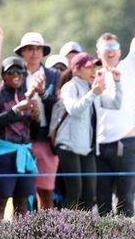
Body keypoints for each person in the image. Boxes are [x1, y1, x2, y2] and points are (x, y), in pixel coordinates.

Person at [95, 0, 135, 217]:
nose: (111, 51)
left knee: (125, 202)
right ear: (99, 52)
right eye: (106, 48)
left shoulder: (129, 67)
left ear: (120, 51)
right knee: (101, 203)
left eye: (114, 47)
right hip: (100, 145)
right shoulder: (93, 77)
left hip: (126, 142)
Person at [52, 54, 122, 210]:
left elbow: (116, 104)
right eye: (89, 67)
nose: (93, 70)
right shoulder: (69, 87)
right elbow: (74, 110)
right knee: (74, 193)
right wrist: (93, 93)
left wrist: (117, 82)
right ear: (77, 70)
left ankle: (84, 233)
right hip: (68, 146)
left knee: (89, 195)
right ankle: (64, 231)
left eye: (95, 66)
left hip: (87, 148)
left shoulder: (92, 87)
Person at [0, 56, 40, 222]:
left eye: (20, 72)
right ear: (3, 75)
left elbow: (36, 131)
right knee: (1, 200)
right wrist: (16, 109)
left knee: (23, 201)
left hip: (25, 155)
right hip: (4, 154)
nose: (16, 75)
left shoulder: (28, 97)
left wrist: (36, 117)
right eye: (11, 72)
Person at [13, 31, 60, 209]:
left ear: (42, 52)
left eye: (38, 48)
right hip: (21, 140)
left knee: (46, 192)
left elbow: (56, 105)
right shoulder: (15, 72)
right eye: (30, 48)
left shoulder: (54, 75)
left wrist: (41, 93)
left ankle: (46, 234)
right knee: (22, 194)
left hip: (46, 139)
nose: (34, 52)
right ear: (22, 52)